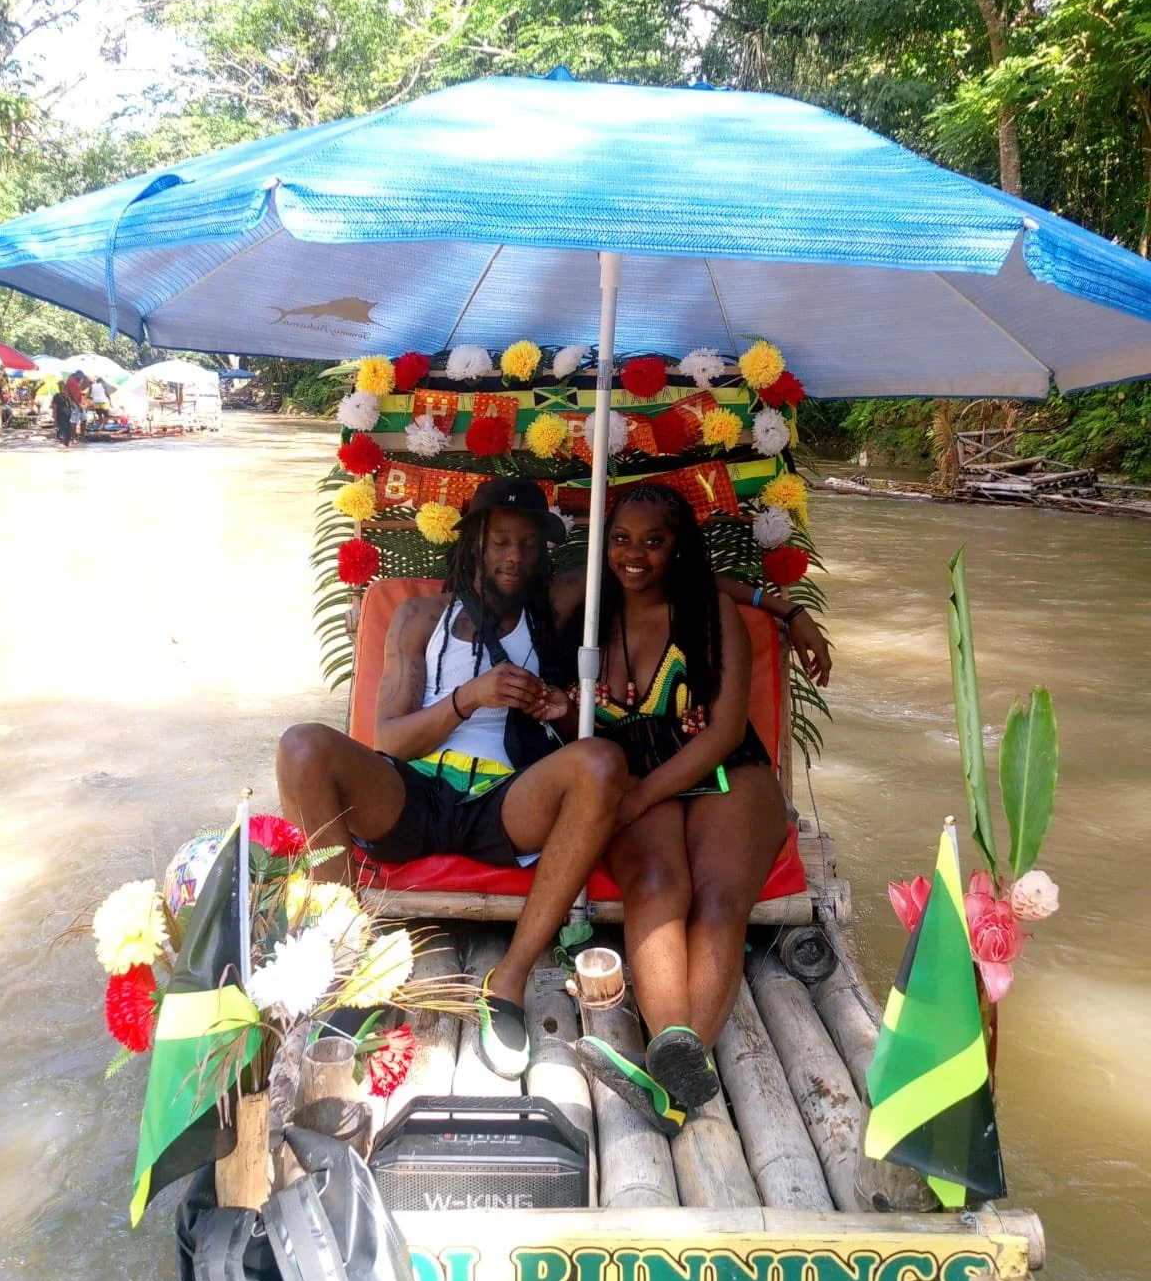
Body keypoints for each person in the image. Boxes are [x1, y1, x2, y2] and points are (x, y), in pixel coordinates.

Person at [276, 478, 627, 1080]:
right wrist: (468, 698)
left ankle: (509, 984)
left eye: (527, 545)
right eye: (500, 543)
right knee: (302, 745)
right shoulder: (420, 617)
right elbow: (385, 738)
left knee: (600, 762)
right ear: (473, 546)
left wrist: (779, 606)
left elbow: (647, 571)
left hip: (504, 800)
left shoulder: (557, 605)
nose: (514, 557)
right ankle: (347, 961)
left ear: (545, 553)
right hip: (412, 793)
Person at [559, 483, 818, 1136]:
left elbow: (726, 730)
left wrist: (783, 608)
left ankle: (670, 1065)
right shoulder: (584, 608)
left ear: (679, 548)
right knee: (654, 885)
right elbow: (496, 579)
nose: (635, 554)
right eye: (621, 539)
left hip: (724, 769)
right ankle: (675, 1075)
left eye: (654, 540)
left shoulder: (707, 612)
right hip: (633, 769)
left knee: (719, 900)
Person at [50, 380, 73, 447]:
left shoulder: (68, 396)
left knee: (68, 431)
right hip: (60, 416)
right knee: (62, 431)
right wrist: (55, 419)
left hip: (68, 416)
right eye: (61, 387)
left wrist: (68, 397)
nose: (63, 389)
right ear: (59, 388)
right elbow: (54, 408)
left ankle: (66, 446)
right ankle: (62, 445)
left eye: (64, 388)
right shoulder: (56, 396)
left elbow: (71, 406)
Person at [65, 370, 86, 442]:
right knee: (74, 421)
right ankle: (73, 438)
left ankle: (82, 437)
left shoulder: (75, 381)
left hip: (78, 403)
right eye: (81, 377)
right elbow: (73, 395)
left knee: (84, 420)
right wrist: (78, 405)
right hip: (75, 403)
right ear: (78, 375)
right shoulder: (71, 381)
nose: (81, 379)